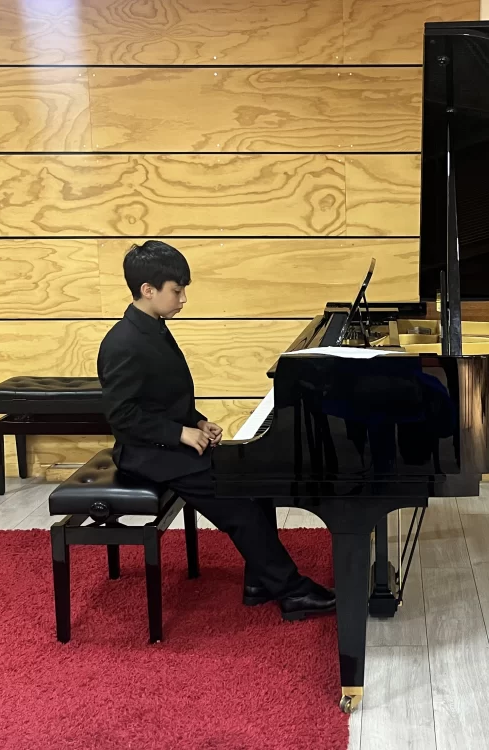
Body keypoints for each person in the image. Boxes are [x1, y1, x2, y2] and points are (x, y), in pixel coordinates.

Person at [96, 240, 335, 620]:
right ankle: (291, 592)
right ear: (148, 290)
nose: (184, 298)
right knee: (239, 506)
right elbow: (122, 416)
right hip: (149, 455)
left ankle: (259, 581)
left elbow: (160, 397)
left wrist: (196, 421)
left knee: (254, 480)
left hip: (167, 444)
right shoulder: (123, 343)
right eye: (177, 290)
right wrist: (180, 434)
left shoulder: (152, 327)